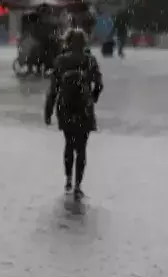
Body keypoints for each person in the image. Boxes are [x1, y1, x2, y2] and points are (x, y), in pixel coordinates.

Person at [44, 28, 103, 200]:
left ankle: (68, 179)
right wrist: (93, 98)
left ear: (67, 42)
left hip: (65, 106)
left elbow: (53, 89)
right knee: (82, 147)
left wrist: (48, 111)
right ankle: (78, 185)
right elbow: (99, 84)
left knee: (69, 144)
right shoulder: (90, 60)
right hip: (84, 108)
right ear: (84, 43)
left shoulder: (61, 61)